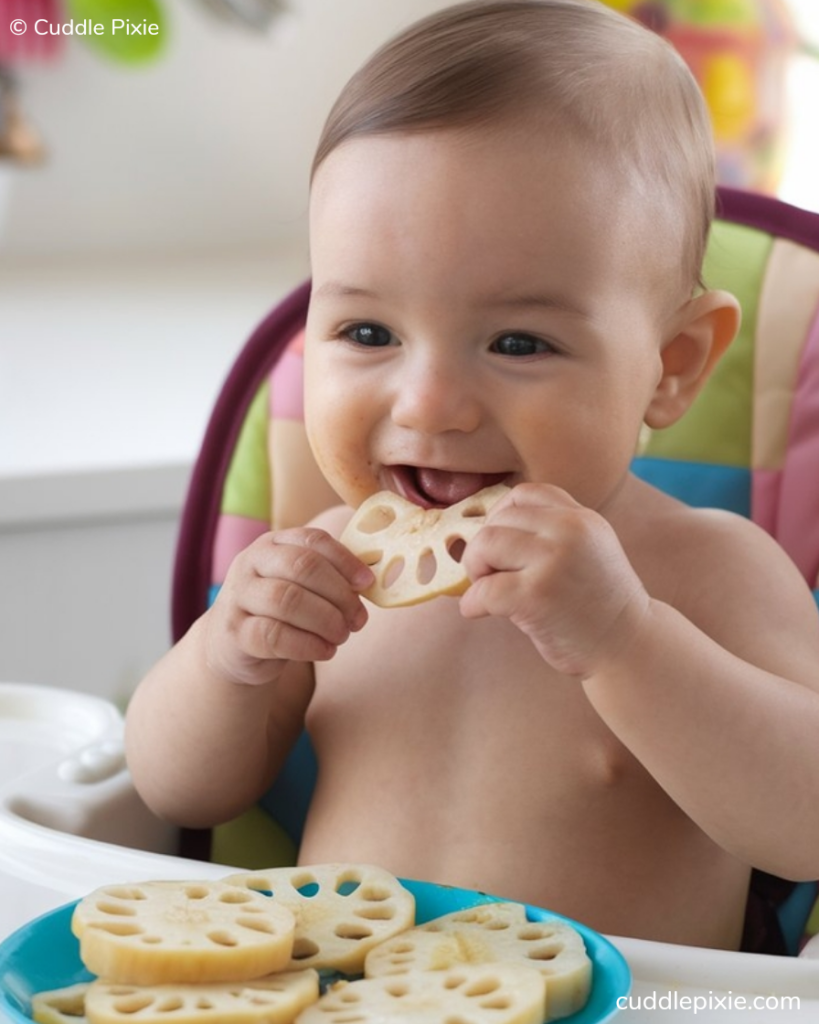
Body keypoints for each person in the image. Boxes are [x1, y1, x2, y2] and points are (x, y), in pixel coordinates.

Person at [125, 0, 819, 952]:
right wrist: (229, 661)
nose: (429, 404)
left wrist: (626, 641)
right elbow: (179, 793)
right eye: (368, 333)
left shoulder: (705, 572)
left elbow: (806, 823)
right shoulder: (324, 566)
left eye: (518, 341)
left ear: (674, 364)